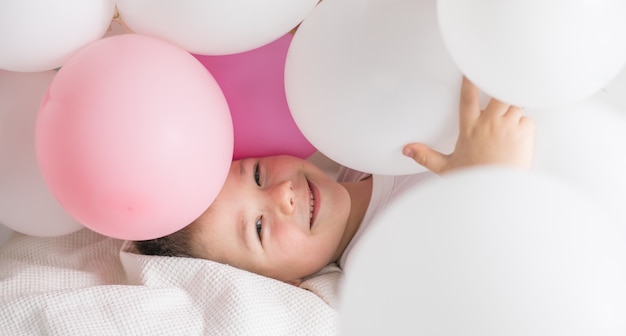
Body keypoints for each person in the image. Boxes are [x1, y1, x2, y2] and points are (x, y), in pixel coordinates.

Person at [134, 77, 535, 285]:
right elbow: (487, 288)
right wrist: (489, 186)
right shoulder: (375, 265)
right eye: (258, 228)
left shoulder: (351, 143)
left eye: (257, 174)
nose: (281, 195)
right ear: (286, 283)